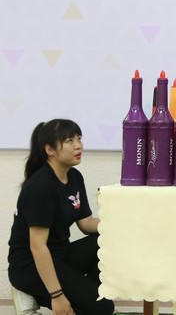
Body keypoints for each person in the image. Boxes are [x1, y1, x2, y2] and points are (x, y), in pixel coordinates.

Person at [7, 119, 115, 315]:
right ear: (50, 150)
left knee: (110, 241)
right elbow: (37, 246)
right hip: (30, 265)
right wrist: (57, 295)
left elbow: (85, 223)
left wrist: (118, 223)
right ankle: (36, 293)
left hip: (60, 255)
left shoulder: (74, 177)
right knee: (103, 308)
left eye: (79, 138)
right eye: (69, 140)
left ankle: (80, 301)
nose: (78, 145)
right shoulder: (40, 187)